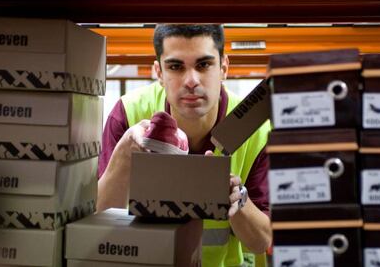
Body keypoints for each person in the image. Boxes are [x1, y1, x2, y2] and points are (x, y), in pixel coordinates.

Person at [97, 24, 272, 266]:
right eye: (176, 67)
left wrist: (238, 199)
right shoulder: (128, 114)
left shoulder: (255, 130)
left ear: (223, 68)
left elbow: (261, 241)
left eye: (203, 65)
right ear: (159, 72)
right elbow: (98, 220)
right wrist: (125, 153)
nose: (191, 81)